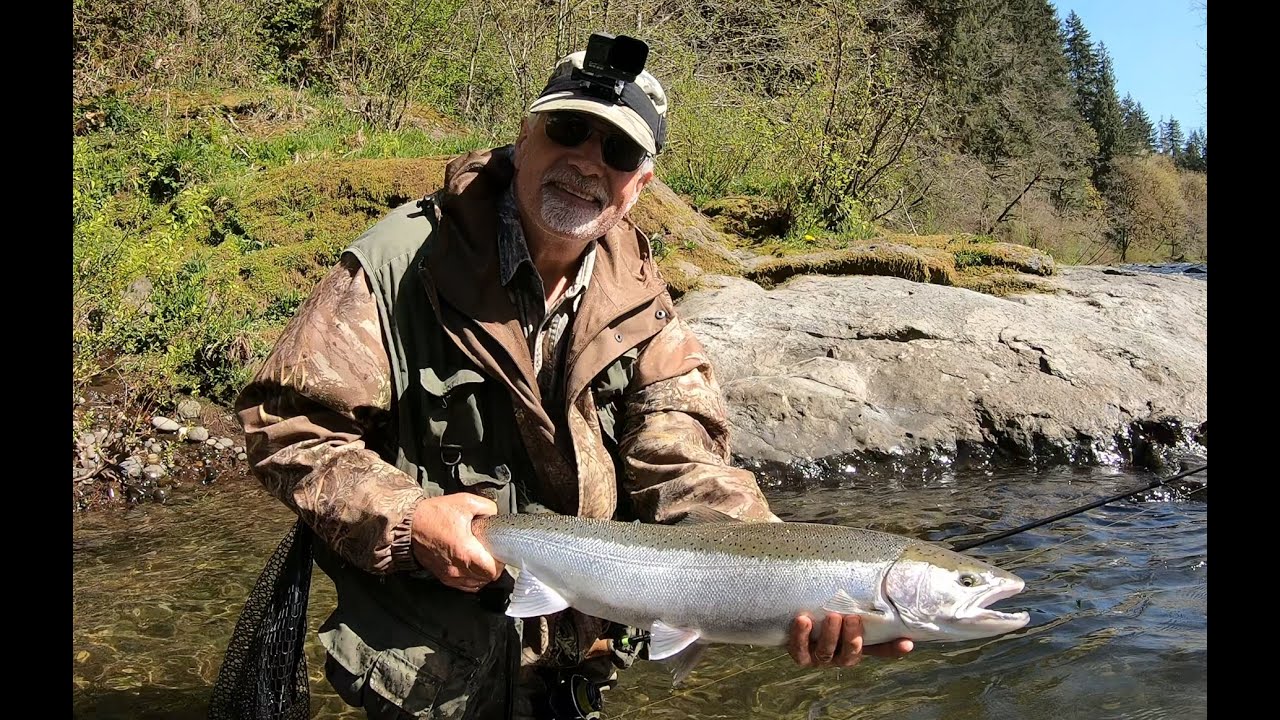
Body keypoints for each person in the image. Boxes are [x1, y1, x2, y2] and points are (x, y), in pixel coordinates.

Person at [234, 32, 912, 720]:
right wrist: (408, 520)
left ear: (640, 184)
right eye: (568, 130)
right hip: (423, 676)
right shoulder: (401, 265)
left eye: (617, 152)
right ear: (525, 136)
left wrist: (785, 572)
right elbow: (286, 429)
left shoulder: (643, 302)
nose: (587, 162)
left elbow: (680, 463)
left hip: (574, 671)